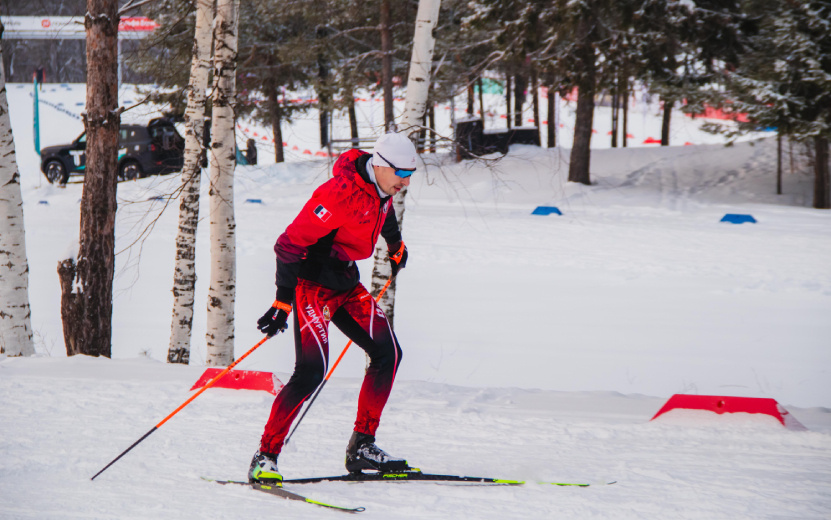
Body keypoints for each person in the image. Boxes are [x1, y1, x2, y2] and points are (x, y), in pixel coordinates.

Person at [249, 132, 417, 485]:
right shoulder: (336, 194)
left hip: (345, 282)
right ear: (381, 165)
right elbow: (288, 245)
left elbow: (381, 213)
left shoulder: (383, 189)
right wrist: (282, 300)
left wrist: (395, 244)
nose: (405, 181)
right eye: (401, 173)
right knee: (311, 371)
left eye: (411, 174)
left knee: (389, 353)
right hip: (311, 286)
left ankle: (362, 447)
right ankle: (265, 456)